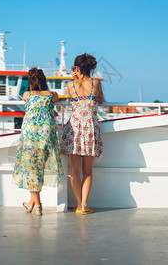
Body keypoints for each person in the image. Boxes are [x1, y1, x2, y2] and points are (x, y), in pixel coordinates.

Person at [12, 67, 63, 216]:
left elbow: (25, 98)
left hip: (29, 134)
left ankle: (38, 205)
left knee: (31, 168)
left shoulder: (27, 94)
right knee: (37, 166)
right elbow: (56, 98)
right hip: (45, 135)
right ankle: (31, 204)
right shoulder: (51, 95)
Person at [60, 53, 104, 215]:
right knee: (88, 172)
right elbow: (101, 99)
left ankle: (78, 204)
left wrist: (76, 79)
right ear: (91, 68)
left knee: (75, 171)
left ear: (76, 68)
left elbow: (75, 92)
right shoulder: (96, 83)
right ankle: (84, 205)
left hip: (75, 128)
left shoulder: (71, 85)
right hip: (90, 128)